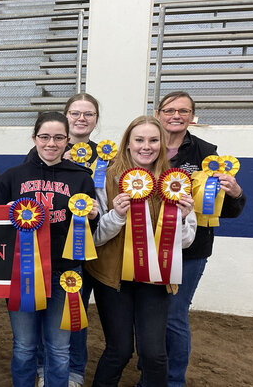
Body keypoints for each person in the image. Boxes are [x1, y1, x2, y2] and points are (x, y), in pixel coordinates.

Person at [85, 116, 197, 387]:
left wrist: (183, 218)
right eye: (139, 140)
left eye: (153, 140)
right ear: (127, 144)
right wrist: (117, 215)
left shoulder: (177, 181)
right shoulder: (105, 178)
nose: (146, 146)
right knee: (119, 351)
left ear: (162, 144)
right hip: (112, 278)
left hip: (155, 279)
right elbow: (95, 238)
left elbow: (186, 241)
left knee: (154, 354)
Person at [0, 111, 99, 387]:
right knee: (25, 347)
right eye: (44, 137)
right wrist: (2, 216)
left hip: (64, 273)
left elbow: (91, 228)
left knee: (59, 348)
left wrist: (93, 216)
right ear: (34, 138)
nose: (51, 143)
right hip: (23, 273)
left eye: (58, 137)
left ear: (67, 141)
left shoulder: (82, 178)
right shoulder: (12, 177)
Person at [154, 92, 245, 387]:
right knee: (148, 315)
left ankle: (173, 381)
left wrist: (235, 194)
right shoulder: (144, 146)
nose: (176, 115)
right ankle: (149, 374)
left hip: (190, 249)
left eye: (183, 110)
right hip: (143, 245)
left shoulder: (207, 153)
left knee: (174, 316)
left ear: (192, 116)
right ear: (158, 113)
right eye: (170, 110)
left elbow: (227, 211)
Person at [37, 93, 101, 387]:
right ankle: (42, 369)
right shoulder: (33, 160)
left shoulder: (106, 156)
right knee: (42, 312)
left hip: (85, 246)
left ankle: (73, 371)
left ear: (96, 120)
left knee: (75, 312)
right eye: (75, 113)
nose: (81, 119)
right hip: (39, 255)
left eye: (88, 114)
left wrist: (95, 215)